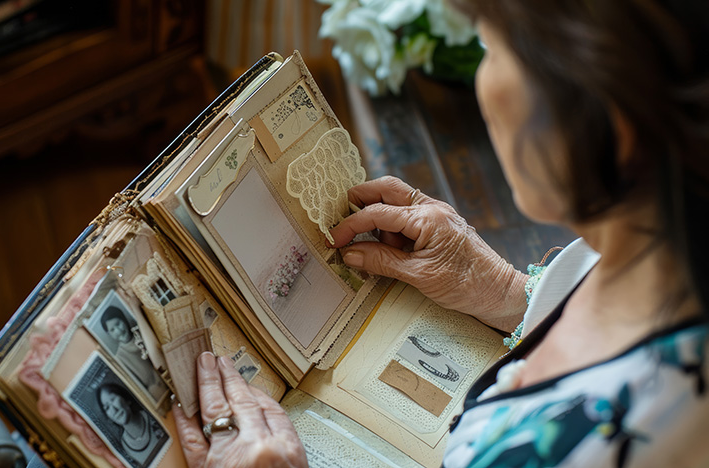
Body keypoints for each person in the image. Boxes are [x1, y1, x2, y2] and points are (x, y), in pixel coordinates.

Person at [174, 1, 709, 466]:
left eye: (493, 49)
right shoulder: (661, 247)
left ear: (609, 119)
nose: (484, 83)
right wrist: (506, 292)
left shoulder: (613, 437)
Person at [101, 307, 168, 401]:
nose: (118, 331)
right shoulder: (120, 359)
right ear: (109, 334)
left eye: (118, 324)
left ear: (123, 319)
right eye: (112, 330)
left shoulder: (142, 332)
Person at [98, 382, 167, 467]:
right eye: (107, 408)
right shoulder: (125, 448)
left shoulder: (153, 417)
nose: (114, 409)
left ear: (126, 399)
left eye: (113, 399)